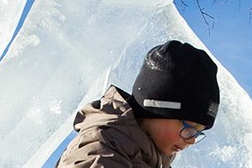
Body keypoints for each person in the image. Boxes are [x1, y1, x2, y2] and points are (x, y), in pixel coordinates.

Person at [56, 40, 220, 167]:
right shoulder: (100, 150)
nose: (191, 140)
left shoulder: (148, 157)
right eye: (190, 128)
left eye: (198, 133)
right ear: (158, 108)